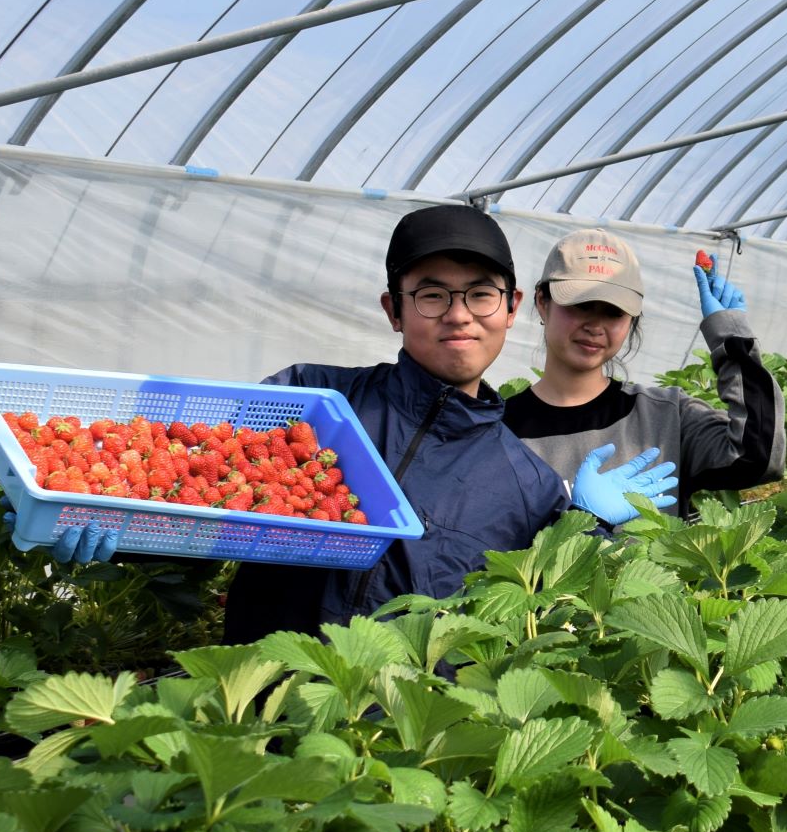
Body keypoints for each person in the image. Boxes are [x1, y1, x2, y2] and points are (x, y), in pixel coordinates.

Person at [201, 204, 676, 639]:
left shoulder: (530, 487)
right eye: (432, 295)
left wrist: (585, 525)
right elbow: (198, 492)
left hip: (405, 721)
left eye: (480, 294)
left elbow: (556, 605)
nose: (459, 315)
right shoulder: (313, 400)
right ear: (394, 310)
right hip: (260, 699)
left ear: (510, 307)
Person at [504, 229, 784, 516]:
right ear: (542, 301)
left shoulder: (666, 417)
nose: (595, 325)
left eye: (614, 312)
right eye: (581, 305)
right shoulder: (500, 430)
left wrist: (730, 336)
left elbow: (758, 458)